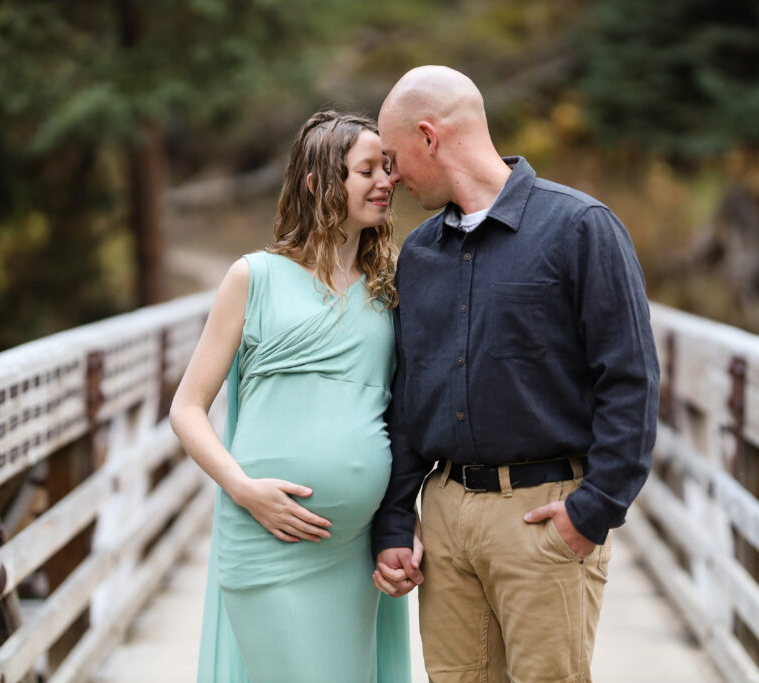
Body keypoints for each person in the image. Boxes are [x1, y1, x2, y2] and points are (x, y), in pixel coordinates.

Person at [371, 66, 660, 682]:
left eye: (392, 158)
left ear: (429, 137)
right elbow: (405, 400)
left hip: (543, 516)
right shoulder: (418, 257)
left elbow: (631, 381)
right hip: (444, 519)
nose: (390, 179)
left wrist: (594, 511)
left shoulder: (581, 229)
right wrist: (397, 517)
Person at [170, 111, 412, 683]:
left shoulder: (392, 288)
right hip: (265, 535)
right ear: (318, 183)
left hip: (355, 549)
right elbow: (186, 409)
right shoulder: (253, 278)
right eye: (367, 170)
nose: (386, 182)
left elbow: (402, 412)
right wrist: (245, 490)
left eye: (389, 169)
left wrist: (404, 519)